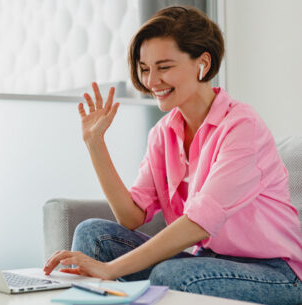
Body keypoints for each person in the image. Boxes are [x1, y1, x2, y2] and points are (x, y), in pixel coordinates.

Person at [44, 6, 302, 305]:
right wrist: (95, 143)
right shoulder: (163, 133)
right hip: (207, 261)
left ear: (202, 64)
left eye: (164, 67)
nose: (152, 81)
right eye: (144, 68)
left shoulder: (242, 127)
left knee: (171, 276)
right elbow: (131, 217)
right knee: (92, 234)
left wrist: (110, 269)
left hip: (275, 274)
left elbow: (199, 222)